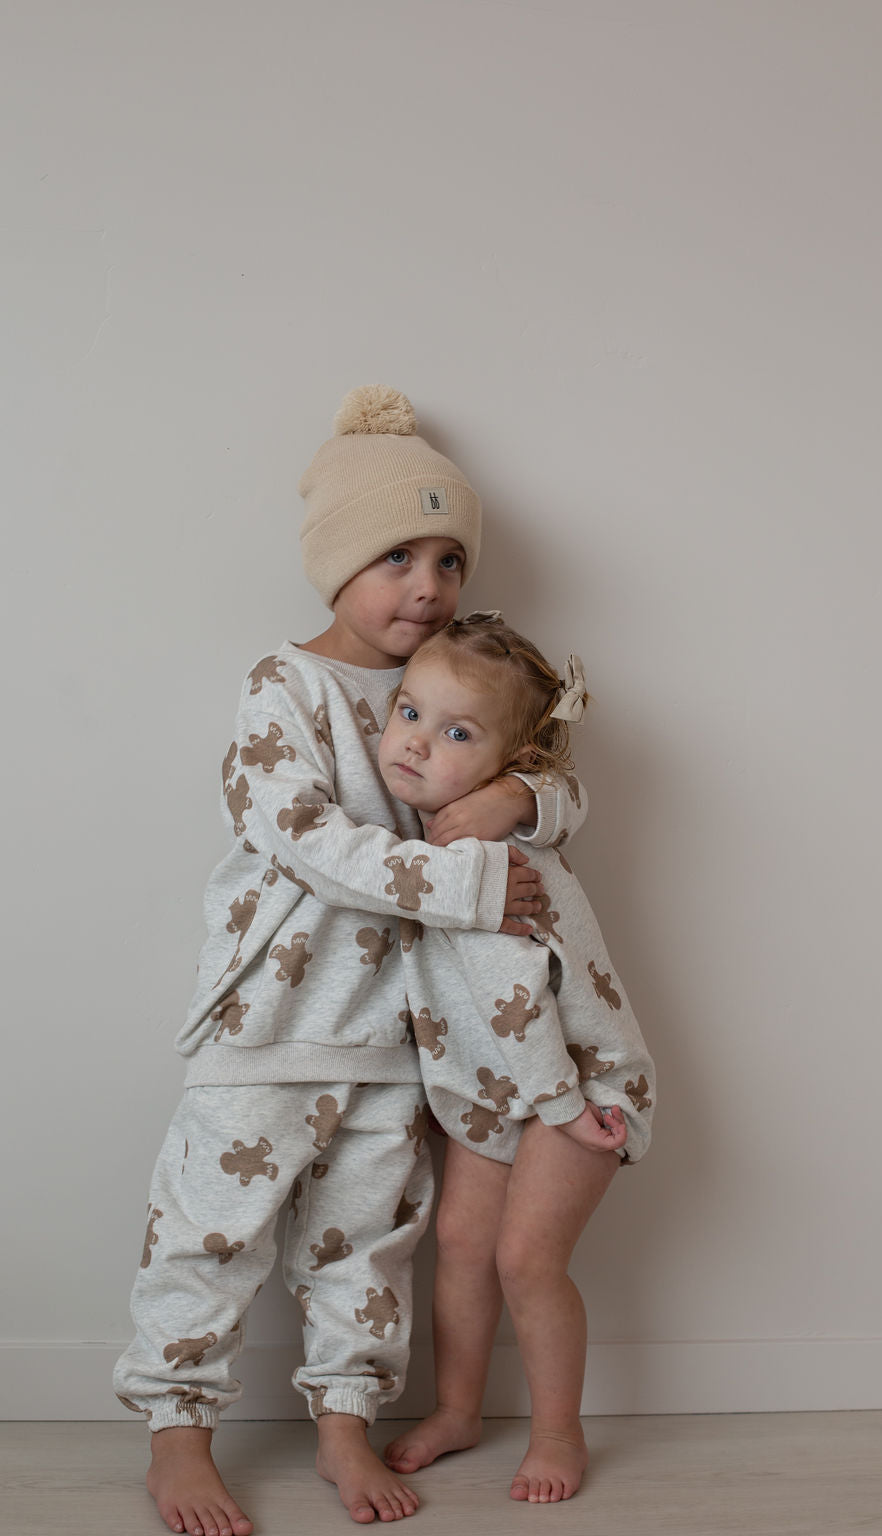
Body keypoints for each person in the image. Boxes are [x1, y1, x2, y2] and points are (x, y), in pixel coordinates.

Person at [112, 388, 586, 1534]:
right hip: (268, 1025)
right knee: (209, 1233)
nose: (426, 586)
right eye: (395, 556)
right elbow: (315, 844)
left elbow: (559, 772)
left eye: (447, 559)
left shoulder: (467, 673)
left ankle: (342, 1427)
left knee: (368, 1244)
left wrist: (525, 795)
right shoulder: (282, 691)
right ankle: (178, 1436)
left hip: (400, 1032)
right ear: (334, 563)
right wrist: (474, 875)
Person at [375, 614, 655, 1505]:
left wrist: (567, 1108)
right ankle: (458, 1410)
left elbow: (519, 999)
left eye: (456, 733)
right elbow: (558, 793)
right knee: (460, 1241)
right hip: (499, 1092)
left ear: (507, 765)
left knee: (525, 1259)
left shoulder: (483, 854)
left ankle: (557, 1433)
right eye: (410, 712)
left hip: (576, 1080)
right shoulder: (450, 829)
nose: (417, 742)